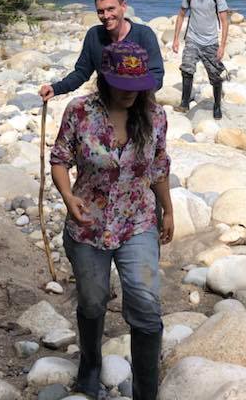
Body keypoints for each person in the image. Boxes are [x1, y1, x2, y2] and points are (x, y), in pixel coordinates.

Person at [50, 41, 173, 400]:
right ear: (104, 79)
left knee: (146, 305)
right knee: (92, 301)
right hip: (88, 223)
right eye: (122, 85)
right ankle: (90, 364)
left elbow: (159, 167)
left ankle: (146, 392)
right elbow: (59, 158)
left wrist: (168, 210)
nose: (130, 93)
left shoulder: (155, 115)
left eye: (137, 86)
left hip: (138, 221)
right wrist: (67, 195)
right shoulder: (79, 111)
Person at [39, 0, 164, 102]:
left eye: (111, 9)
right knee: (74, 108)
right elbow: (81, 73)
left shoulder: (144, 35)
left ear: (123, 7)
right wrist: (55, 89)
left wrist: (133, 93)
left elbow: (156, 75)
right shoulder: (94, 36)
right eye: (100, 11)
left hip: (138, 101)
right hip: (107, 102)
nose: (106, 16)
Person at [171, 0, 229, 118]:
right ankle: (184, 103)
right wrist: (176, 39)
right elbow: (181, 15)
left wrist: (222, 46)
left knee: (215, 75)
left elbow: (225, 21)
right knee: (187, 69)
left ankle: (217, 105)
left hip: (211, 41)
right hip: (192, 39)